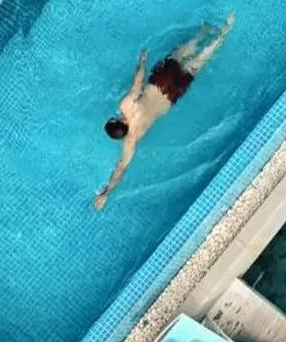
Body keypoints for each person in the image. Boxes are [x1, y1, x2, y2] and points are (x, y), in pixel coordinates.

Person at [94, 15, 234, 210]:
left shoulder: (132, 139)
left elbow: (120, 168)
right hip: (161, 82)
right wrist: (142, 61)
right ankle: (203, 33)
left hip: (171, 95)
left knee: (196, 64)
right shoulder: (126, 106)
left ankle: (222, 35)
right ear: (118, 120)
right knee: (179, 53)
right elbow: (138, 82)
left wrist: (106, 192)